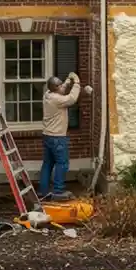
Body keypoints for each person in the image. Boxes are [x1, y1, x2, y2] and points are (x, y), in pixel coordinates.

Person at [41, 72, 83, 200]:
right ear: (55, 88)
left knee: (48, 163)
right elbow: (71, 99)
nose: (61, 88)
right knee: (62, 164)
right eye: (59, 86)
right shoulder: (57, 100)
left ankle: (43, 191)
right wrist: (76, 83)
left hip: (47, 136)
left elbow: (61, 90)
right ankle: (58, 191)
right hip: (57, 138)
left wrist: (67, 81)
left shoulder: (48, 94)